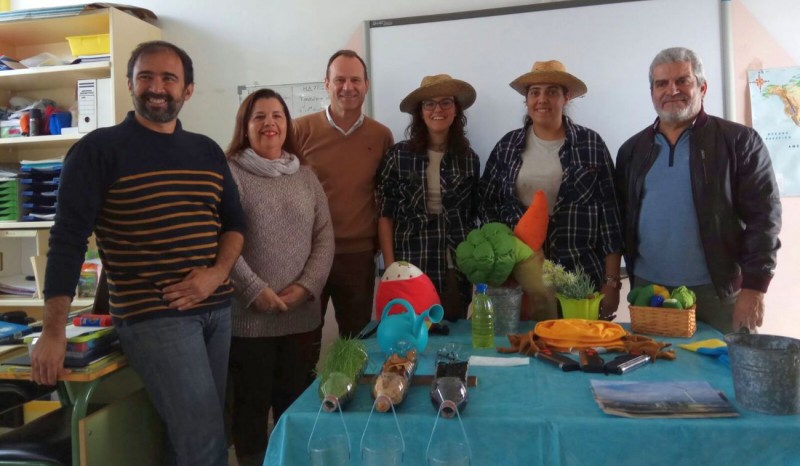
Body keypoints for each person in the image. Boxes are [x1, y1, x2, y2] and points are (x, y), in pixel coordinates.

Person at [31, 41, 246, 466]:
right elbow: (68, 240)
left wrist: (216, 273)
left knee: (191, 434)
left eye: (169, 78)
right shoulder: (98, 151)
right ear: (130, 84)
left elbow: (236, 224)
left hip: (216, 310)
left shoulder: (206, 151)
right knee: (203, 442)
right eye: (146, 76)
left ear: (188, 90)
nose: (157, 87)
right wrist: (52, 330)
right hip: (155, 317)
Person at [615, 47, 781, 333]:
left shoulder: (739, 141)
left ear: (702, 87)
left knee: (729, 375)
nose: (672, 90)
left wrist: (755, 290)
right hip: (648, 293)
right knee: (653, 374)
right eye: (661, 84)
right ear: (652, 92)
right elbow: (620, 219)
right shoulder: (632, 150)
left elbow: (764, 219)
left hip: (719, 295)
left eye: (683, 81)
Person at [225, 89, 334, 466]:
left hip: (299, 316)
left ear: (288, 125)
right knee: (251, 409)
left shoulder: (305, 176)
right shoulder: (231, 174)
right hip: (250, 319)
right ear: (245, 125)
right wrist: (256, 291)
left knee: (294, 405)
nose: (270, 123)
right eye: (260, 117)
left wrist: (306, 287)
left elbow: (325, 237)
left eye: (277, 116)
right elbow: (221, 241)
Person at [478, 60, 623, 320]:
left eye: (552, 91)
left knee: (578, 353)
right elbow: (487, 206)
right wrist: (506, 252)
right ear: (526, 100)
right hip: (521, 280)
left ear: (566, 97)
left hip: (580, 277)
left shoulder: (591, 144)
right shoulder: (507, 147)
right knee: (527, 350)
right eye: (534, 92)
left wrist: (612, 282)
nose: (542, 99)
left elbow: (610, 218)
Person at [294, 50, 393, 354]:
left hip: (358, 257)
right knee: (303, 344)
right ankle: (304, 401)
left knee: (357, 346)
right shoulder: (299, 130)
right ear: (326, 84)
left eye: (355, 80)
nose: (347, 87)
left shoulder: (381, 136)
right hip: (307, 256)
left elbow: (384, 199)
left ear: (367, 85)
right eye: (339, 80)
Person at [377, 74, 480, 320]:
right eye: (429, 104)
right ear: (420, 112)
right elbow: (384, 214)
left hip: (454, 265)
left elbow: (473, 217)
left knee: (453, 335)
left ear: (456, 110)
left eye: (446, 102)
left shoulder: (468, 159)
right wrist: (391, 268)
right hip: (410, 262)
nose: (437, 109)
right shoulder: (398, 156)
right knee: (413, 335)